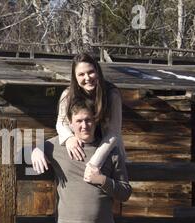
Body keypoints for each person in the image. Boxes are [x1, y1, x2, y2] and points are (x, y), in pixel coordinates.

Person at [33, 98, 132, 223]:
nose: (84, 125)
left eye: (88, 120)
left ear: (95, 121)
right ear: (70, 123)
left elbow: (125, 192)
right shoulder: (57, 146)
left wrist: (102, 180)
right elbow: (22, 153)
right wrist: (35, 150)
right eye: (78, 121)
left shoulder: (110, 151)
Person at [31, 53, 126, 182]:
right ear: (75, 77)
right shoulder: (68, 95)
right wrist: (69, 138)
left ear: (97, 71)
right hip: (81, 148)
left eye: (90, 72)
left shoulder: (111, 94)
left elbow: (113, 132)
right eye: (81, 74)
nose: (87, 77)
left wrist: (94, 163)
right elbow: (61, 122)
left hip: (107, 151)